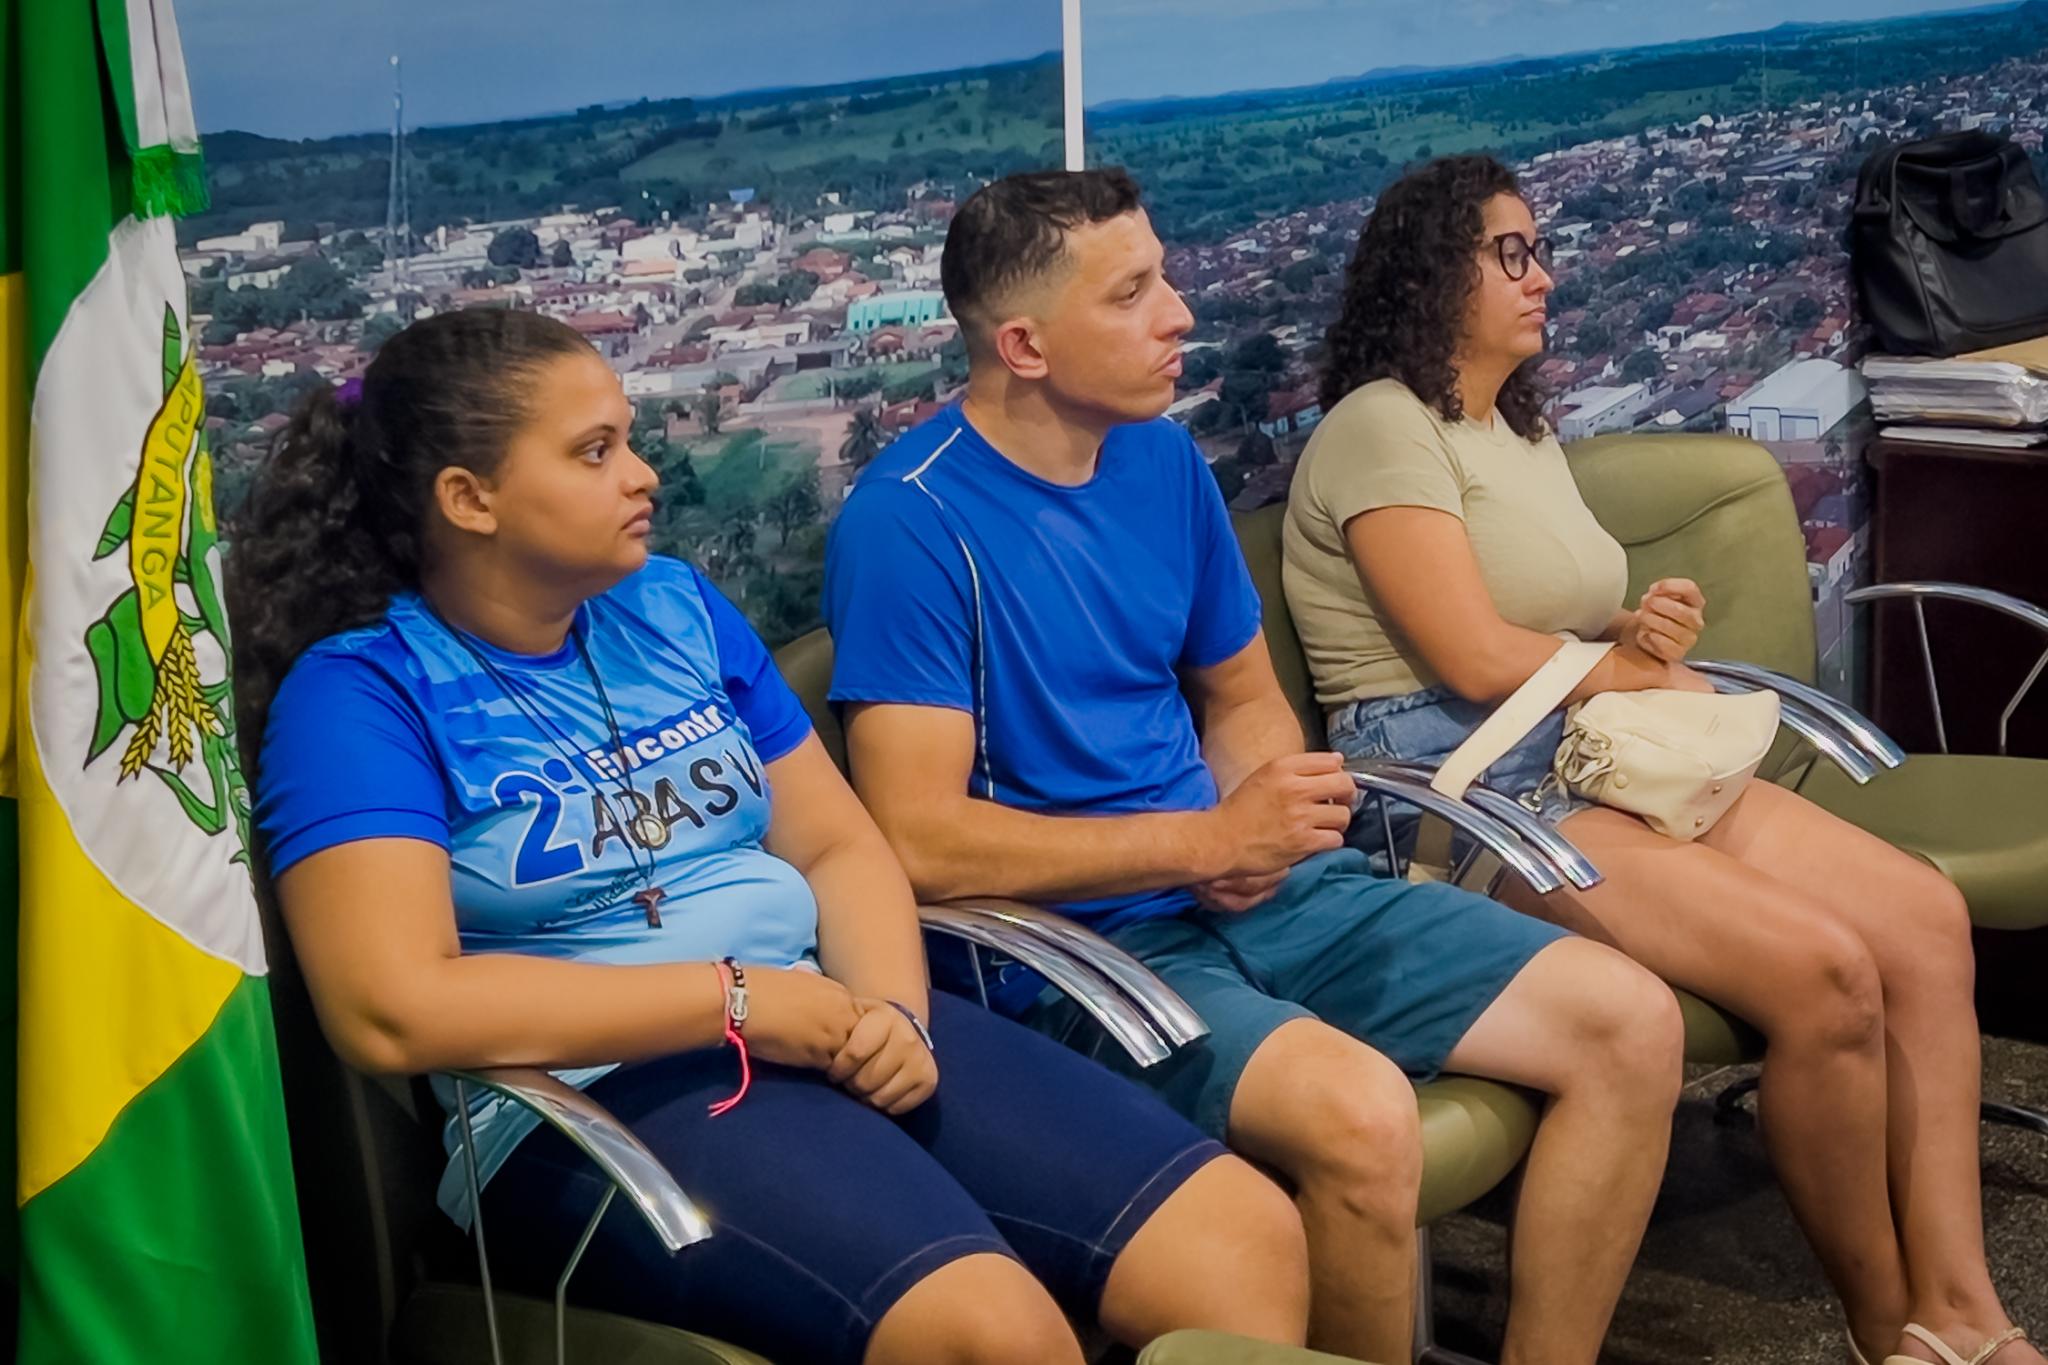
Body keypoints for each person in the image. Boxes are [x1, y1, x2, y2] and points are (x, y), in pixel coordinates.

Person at [229, 308, 1314, 1365]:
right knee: (994, 1338)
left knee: (1238, 1237)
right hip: (598, 1094)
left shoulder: (673, 609)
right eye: (595, 452)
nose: (644, 475)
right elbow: (391, 1006)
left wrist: (893, 1012)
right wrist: (737, 1000)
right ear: (469, 499)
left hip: (812, 1014)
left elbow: (838, 847)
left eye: (630, 440)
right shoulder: (363, 695)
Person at [823, 167, 1686, 1365]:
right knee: (1362, 1117)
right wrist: (1202, 842)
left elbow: (1238, 700)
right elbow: (915, 840)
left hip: (1245, 885)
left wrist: (1266, 819)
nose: (1177, 313)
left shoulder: (1159, 461)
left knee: (1630, 1025)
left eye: (1163, 277)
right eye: (1132, 293)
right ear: (1023, 345)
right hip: (1077, 948)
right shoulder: (908, 522)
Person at [1285, 153, 2040, 1365]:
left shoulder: (1514, 425)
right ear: (1428, 273)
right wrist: (1617, 669)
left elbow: (1548, 624)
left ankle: (1959, 1312)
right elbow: (1469, 653)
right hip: (1463, 786)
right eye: (1509, 252)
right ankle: (1884, 1331)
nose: (1541, 275)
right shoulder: (1380, 424)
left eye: (1538, 249)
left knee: (1920, 919)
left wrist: (1631, 631)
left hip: (1584, 743)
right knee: (1826, 977)